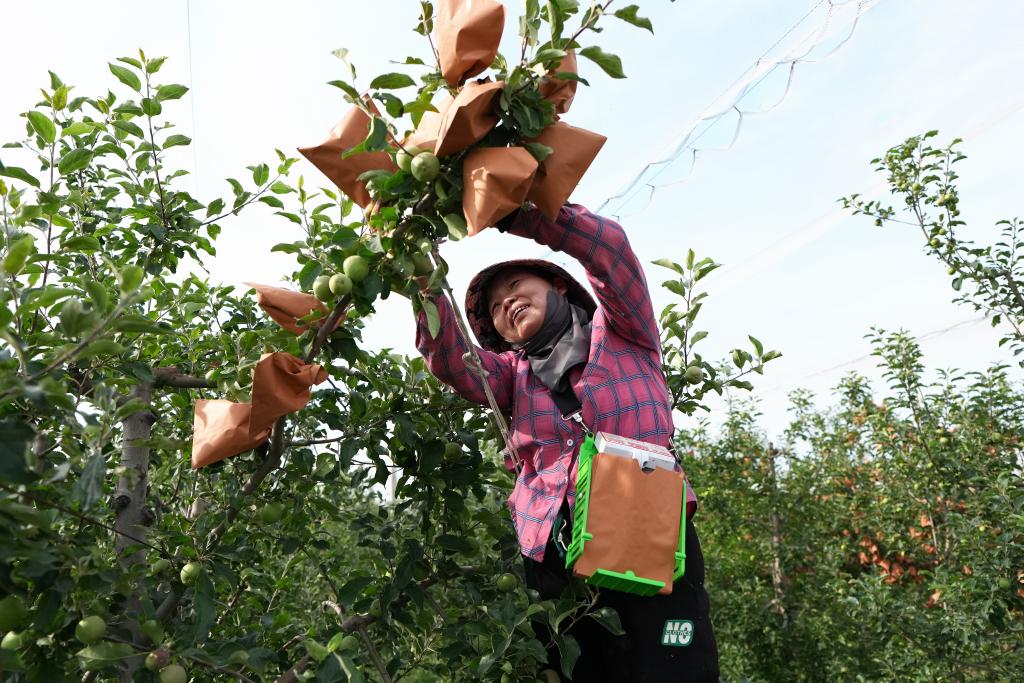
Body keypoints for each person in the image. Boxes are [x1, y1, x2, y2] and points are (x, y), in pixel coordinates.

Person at [414, 203, 719, 681]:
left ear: (556, 285)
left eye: (515, 287)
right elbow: (451, 360)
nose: (506, 304)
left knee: (676, 657)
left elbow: (609, 249)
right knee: (584, 670)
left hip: (647, 529)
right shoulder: (511, 377)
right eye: (494, 308)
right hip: (556, 550)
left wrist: (519, 212)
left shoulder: (623, 330)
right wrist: (423, 279)